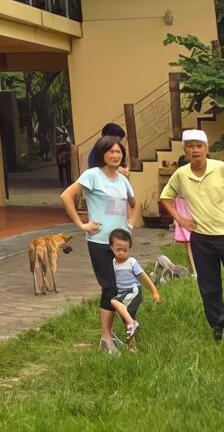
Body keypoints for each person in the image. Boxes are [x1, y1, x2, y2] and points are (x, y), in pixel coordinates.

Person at [160, 128, 224, 347]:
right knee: (209, 288)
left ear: (206, 149)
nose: (195, 150)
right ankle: (220, 331)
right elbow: (166, 198)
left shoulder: (222, 169)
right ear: (185, 150)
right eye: (190, 146)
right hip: (201, 239)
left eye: (199, 146)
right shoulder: (181, 174)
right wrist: (180, 219)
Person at [59, 134, 136, 355]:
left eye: (119, 151)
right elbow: (66, 196)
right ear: (102, 154)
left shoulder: (122, 179)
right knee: (110, 288)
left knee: (122, 288)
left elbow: (134, 202)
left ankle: (114, 334)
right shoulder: (92, 175)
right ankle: (106, 338)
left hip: (120, 243)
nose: (115, 155)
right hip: (100, 241)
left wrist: (129, 223)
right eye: (111, 151)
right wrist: (81, 225)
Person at [106, 227, 161, 344]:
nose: (121, 252)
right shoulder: (112, 263)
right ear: (111, 248)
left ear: (129, 249)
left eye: (125, 250)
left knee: (114, 302)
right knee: (128, 319)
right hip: (122, 293)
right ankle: (132, 346)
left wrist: (154, 292)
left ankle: (132, 323)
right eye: (118, 249)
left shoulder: (131, 262)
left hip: (133, 291)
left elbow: (144, 277)